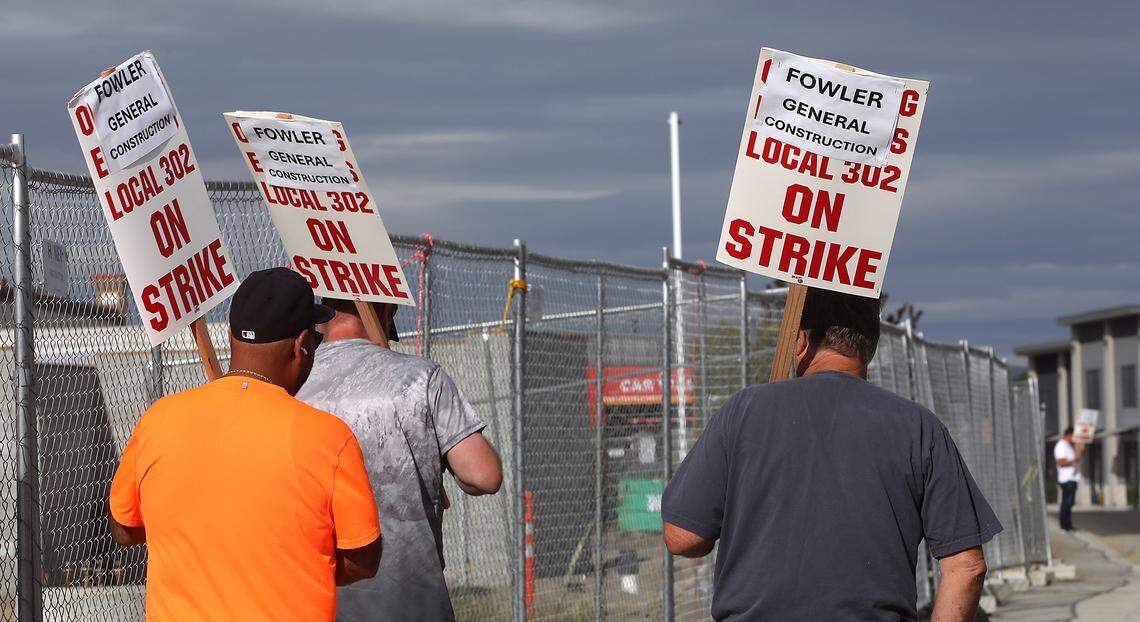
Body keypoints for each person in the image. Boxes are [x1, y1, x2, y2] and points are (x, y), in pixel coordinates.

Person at [661, 288, 1002, 622]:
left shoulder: (743, 412)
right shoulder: (919, 428)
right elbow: (967, 567)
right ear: (870, 348)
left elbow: (682, 536)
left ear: (801, 342)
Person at [108, 268, 381, 621]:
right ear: (301, 345)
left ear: (231, 335)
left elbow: (124, 528)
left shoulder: (158, 420)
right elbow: (362, 558)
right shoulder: (329, 438)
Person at [297, 299, 503, 622]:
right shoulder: (420, 379)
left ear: (323, 316)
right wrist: (437, 464)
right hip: (413, 604)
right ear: (386, 311)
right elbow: (483, 474)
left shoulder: (293, 386)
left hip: (316, 603)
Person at [1054, 426, 1082, 531]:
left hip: (1072, 478)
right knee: (1067, 502)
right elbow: (1061, 462)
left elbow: (1077, 458)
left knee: (1070, 502)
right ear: (1069, 435)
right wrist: (1074, 460)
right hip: (1066, 479)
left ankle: (1068, 524)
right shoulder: (1061, 446)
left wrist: (1078, 448)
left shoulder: (1069, 446)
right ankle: (1064, 524)